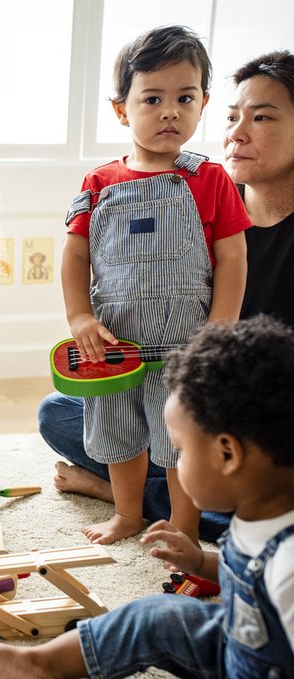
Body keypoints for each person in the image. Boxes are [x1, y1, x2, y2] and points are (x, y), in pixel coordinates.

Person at [40, 49, 294, 543]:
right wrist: (80, 318)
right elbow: (75, 256)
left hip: (214, 378)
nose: (170, 112)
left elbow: (233, 264)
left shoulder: (208, 181)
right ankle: (135, 508)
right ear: (122, 109)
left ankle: (178, 516)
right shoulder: (102, 183)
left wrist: (215, 334)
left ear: (198, 103)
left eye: (185, 98)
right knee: (76, 418)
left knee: (184, 444)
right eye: (152, 99)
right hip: (126, 354)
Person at [0, 317, 294, 678]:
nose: (171, 460)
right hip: (235, 640)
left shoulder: (287, 567)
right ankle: (41, 664)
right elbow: (238, 572)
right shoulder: (257, 513)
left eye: (179, 450)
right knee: (155, 617)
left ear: (227, 455)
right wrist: (198, 562)